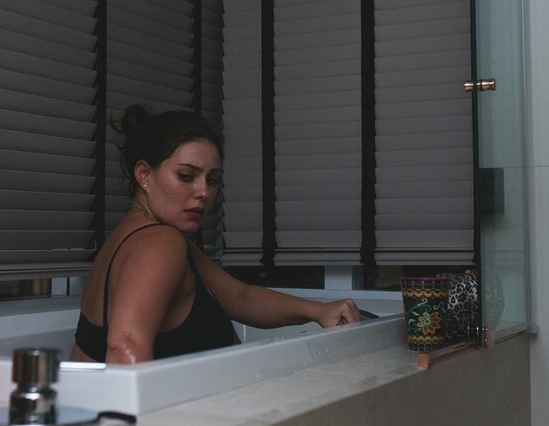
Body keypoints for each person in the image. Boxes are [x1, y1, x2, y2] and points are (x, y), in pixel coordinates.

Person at [71, 105, 361, 365]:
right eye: (186, 176)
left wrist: (318, 311)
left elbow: (241, 297)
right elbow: (124, 347)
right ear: (144, 174)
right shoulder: (158, 243)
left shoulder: (141, 237)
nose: (203, 192)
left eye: (212, 180)